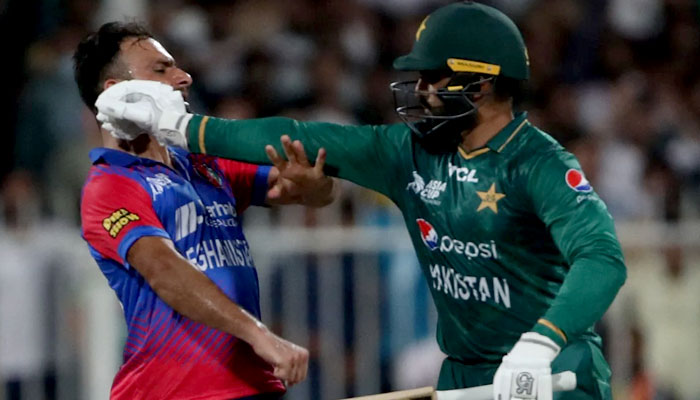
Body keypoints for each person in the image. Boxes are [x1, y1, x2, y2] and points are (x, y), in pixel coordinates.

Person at [95, 2, 627, 399]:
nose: (419, 91)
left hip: (552, 372)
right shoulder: (405, 153)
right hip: (467, 375)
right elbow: (295, 134)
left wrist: (542, 342)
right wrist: (183, 127)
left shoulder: (540, 163)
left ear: (480, 84)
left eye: (431, 78)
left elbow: (602, 257)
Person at [74, 22, 338, 400]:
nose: (184, 77)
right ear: (116, 92)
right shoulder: (110, 185)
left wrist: (315, 184)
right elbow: (165, 271)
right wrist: (260, 336)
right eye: (161, 69)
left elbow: (313, 192)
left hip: (251, 384)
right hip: (173, 392)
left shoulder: (204, 163)